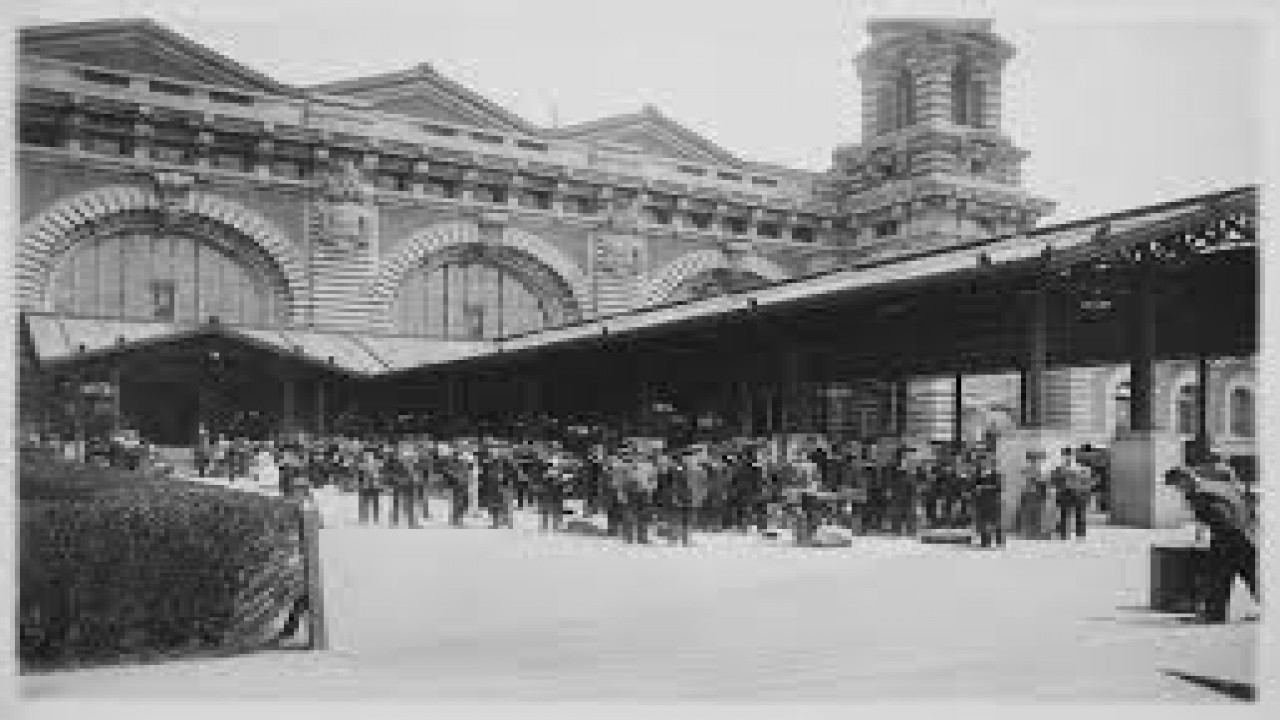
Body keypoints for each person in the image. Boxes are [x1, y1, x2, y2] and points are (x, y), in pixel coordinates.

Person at [1165, 466, 1259, 623]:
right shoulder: (1211, 487)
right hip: (1242, 535)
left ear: (1185, 479)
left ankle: (1215, 614)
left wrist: (1221, 535)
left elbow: (1221, 515)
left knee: (1220, 575)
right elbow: (1239, 504)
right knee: (1250, 574)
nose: (1178, 489)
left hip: (1229, 537)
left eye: (1177, 485)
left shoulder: (1200, 493)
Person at [1050, 448, 1092, 539]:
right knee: (1064, 514)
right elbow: (1053, 481)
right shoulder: (1060, 469)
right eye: (1065, 456)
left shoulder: (1080, 468)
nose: (1067, 458)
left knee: (1079, 515)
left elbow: (1086, 481)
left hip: (1077, 493)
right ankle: (1064, 534)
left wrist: (1086, 493)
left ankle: (1079, 534)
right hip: (1065, 493)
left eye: (1068, 455)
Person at [1015, 449, 1054, 539]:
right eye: (1036, 459)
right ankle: (1032, 532)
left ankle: (1033, 532)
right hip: (1033, 494)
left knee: (1035, 513)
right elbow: (1035, 481)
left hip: (1033, 494)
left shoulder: (1029, 470)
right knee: (1034, 513)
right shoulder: (1031, 470)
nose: (1037, 462)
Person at [972, 455, 1005, 548]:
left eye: (987, 463)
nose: (984, 465)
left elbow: (999, 488)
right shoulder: (978, 475)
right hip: (982, 501)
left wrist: (983, 487)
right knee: (983, 522)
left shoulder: (996, 474)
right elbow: (974, 487)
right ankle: (985, 541)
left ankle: (999, 541)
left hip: (993, 501)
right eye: (983, 463)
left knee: (996, 522)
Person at [357, 446, 384, 526]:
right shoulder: (362, 465)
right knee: (364, 502)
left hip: (374, 486)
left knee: (375, 503)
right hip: (365, 486)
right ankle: (363, 518)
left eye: (369, 455)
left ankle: (375, 519)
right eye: (366, 455)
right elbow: (360, 477)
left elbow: (380, 475)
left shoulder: (377, 464)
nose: (367, 457)